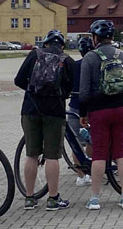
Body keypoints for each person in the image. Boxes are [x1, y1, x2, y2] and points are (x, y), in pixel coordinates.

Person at [14, 29, 77, 211]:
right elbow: (72, 87)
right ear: (62, 45)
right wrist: (59, 94)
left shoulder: (34, 55)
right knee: (52, 156)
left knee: (31, 154)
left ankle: (29, 198)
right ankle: (52, 199)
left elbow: (18, 80)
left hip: (30, 110)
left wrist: (33, 90)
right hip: (54, 112)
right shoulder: (67, 61)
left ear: (46, 43)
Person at [79, 20, 123, 210]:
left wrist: (83, 114)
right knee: (122, 152)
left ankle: (95, 198)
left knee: (99, 154)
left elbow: (84, 91)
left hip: (99, 110)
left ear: (95, 38)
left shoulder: (90, 58)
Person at [67, 36, 94, 187]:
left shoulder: (74, 66)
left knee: (75, 142)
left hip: (75, 106)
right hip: (92, 107)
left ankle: (81, 175)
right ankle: (91, 170)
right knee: (91, 140)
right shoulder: (95, 64)